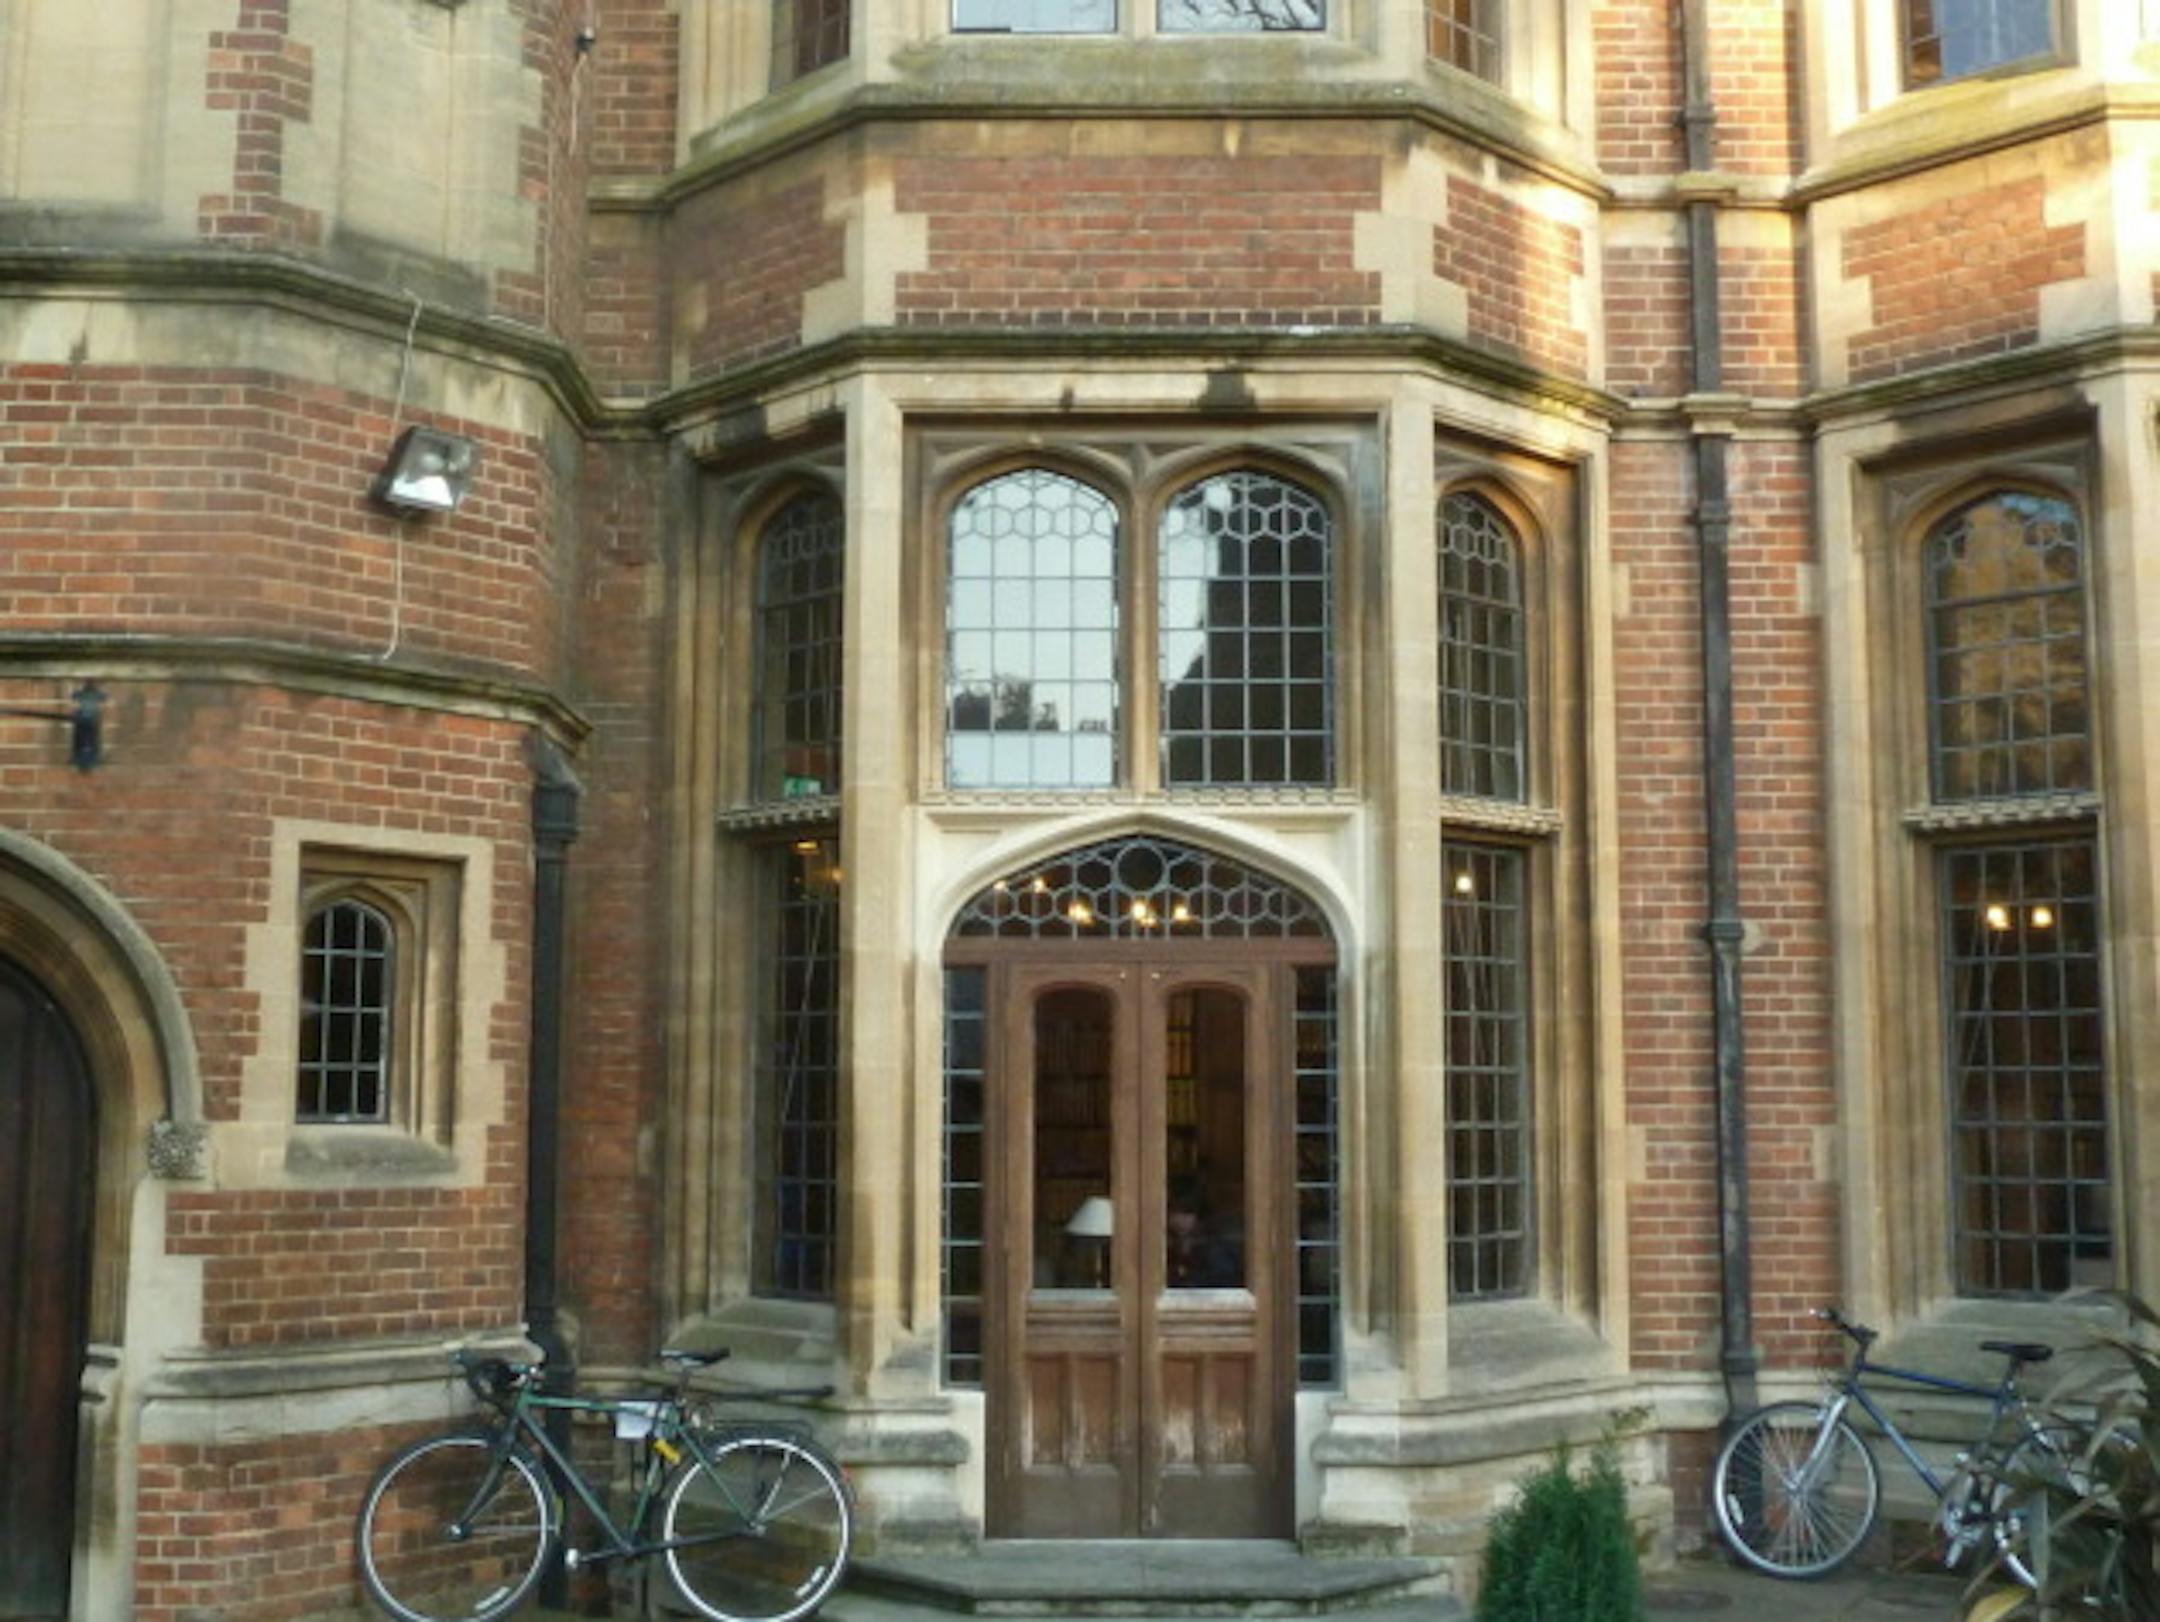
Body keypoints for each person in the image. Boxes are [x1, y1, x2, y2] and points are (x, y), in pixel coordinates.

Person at [1166, 1177, 1241, 1287]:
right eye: (1173, 1212)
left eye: (1187, 1213)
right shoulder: (1169, 1244)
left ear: (1199, 1216)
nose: (1178, 1220)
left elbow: (1222, 1281)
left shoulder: (1215, 1247)